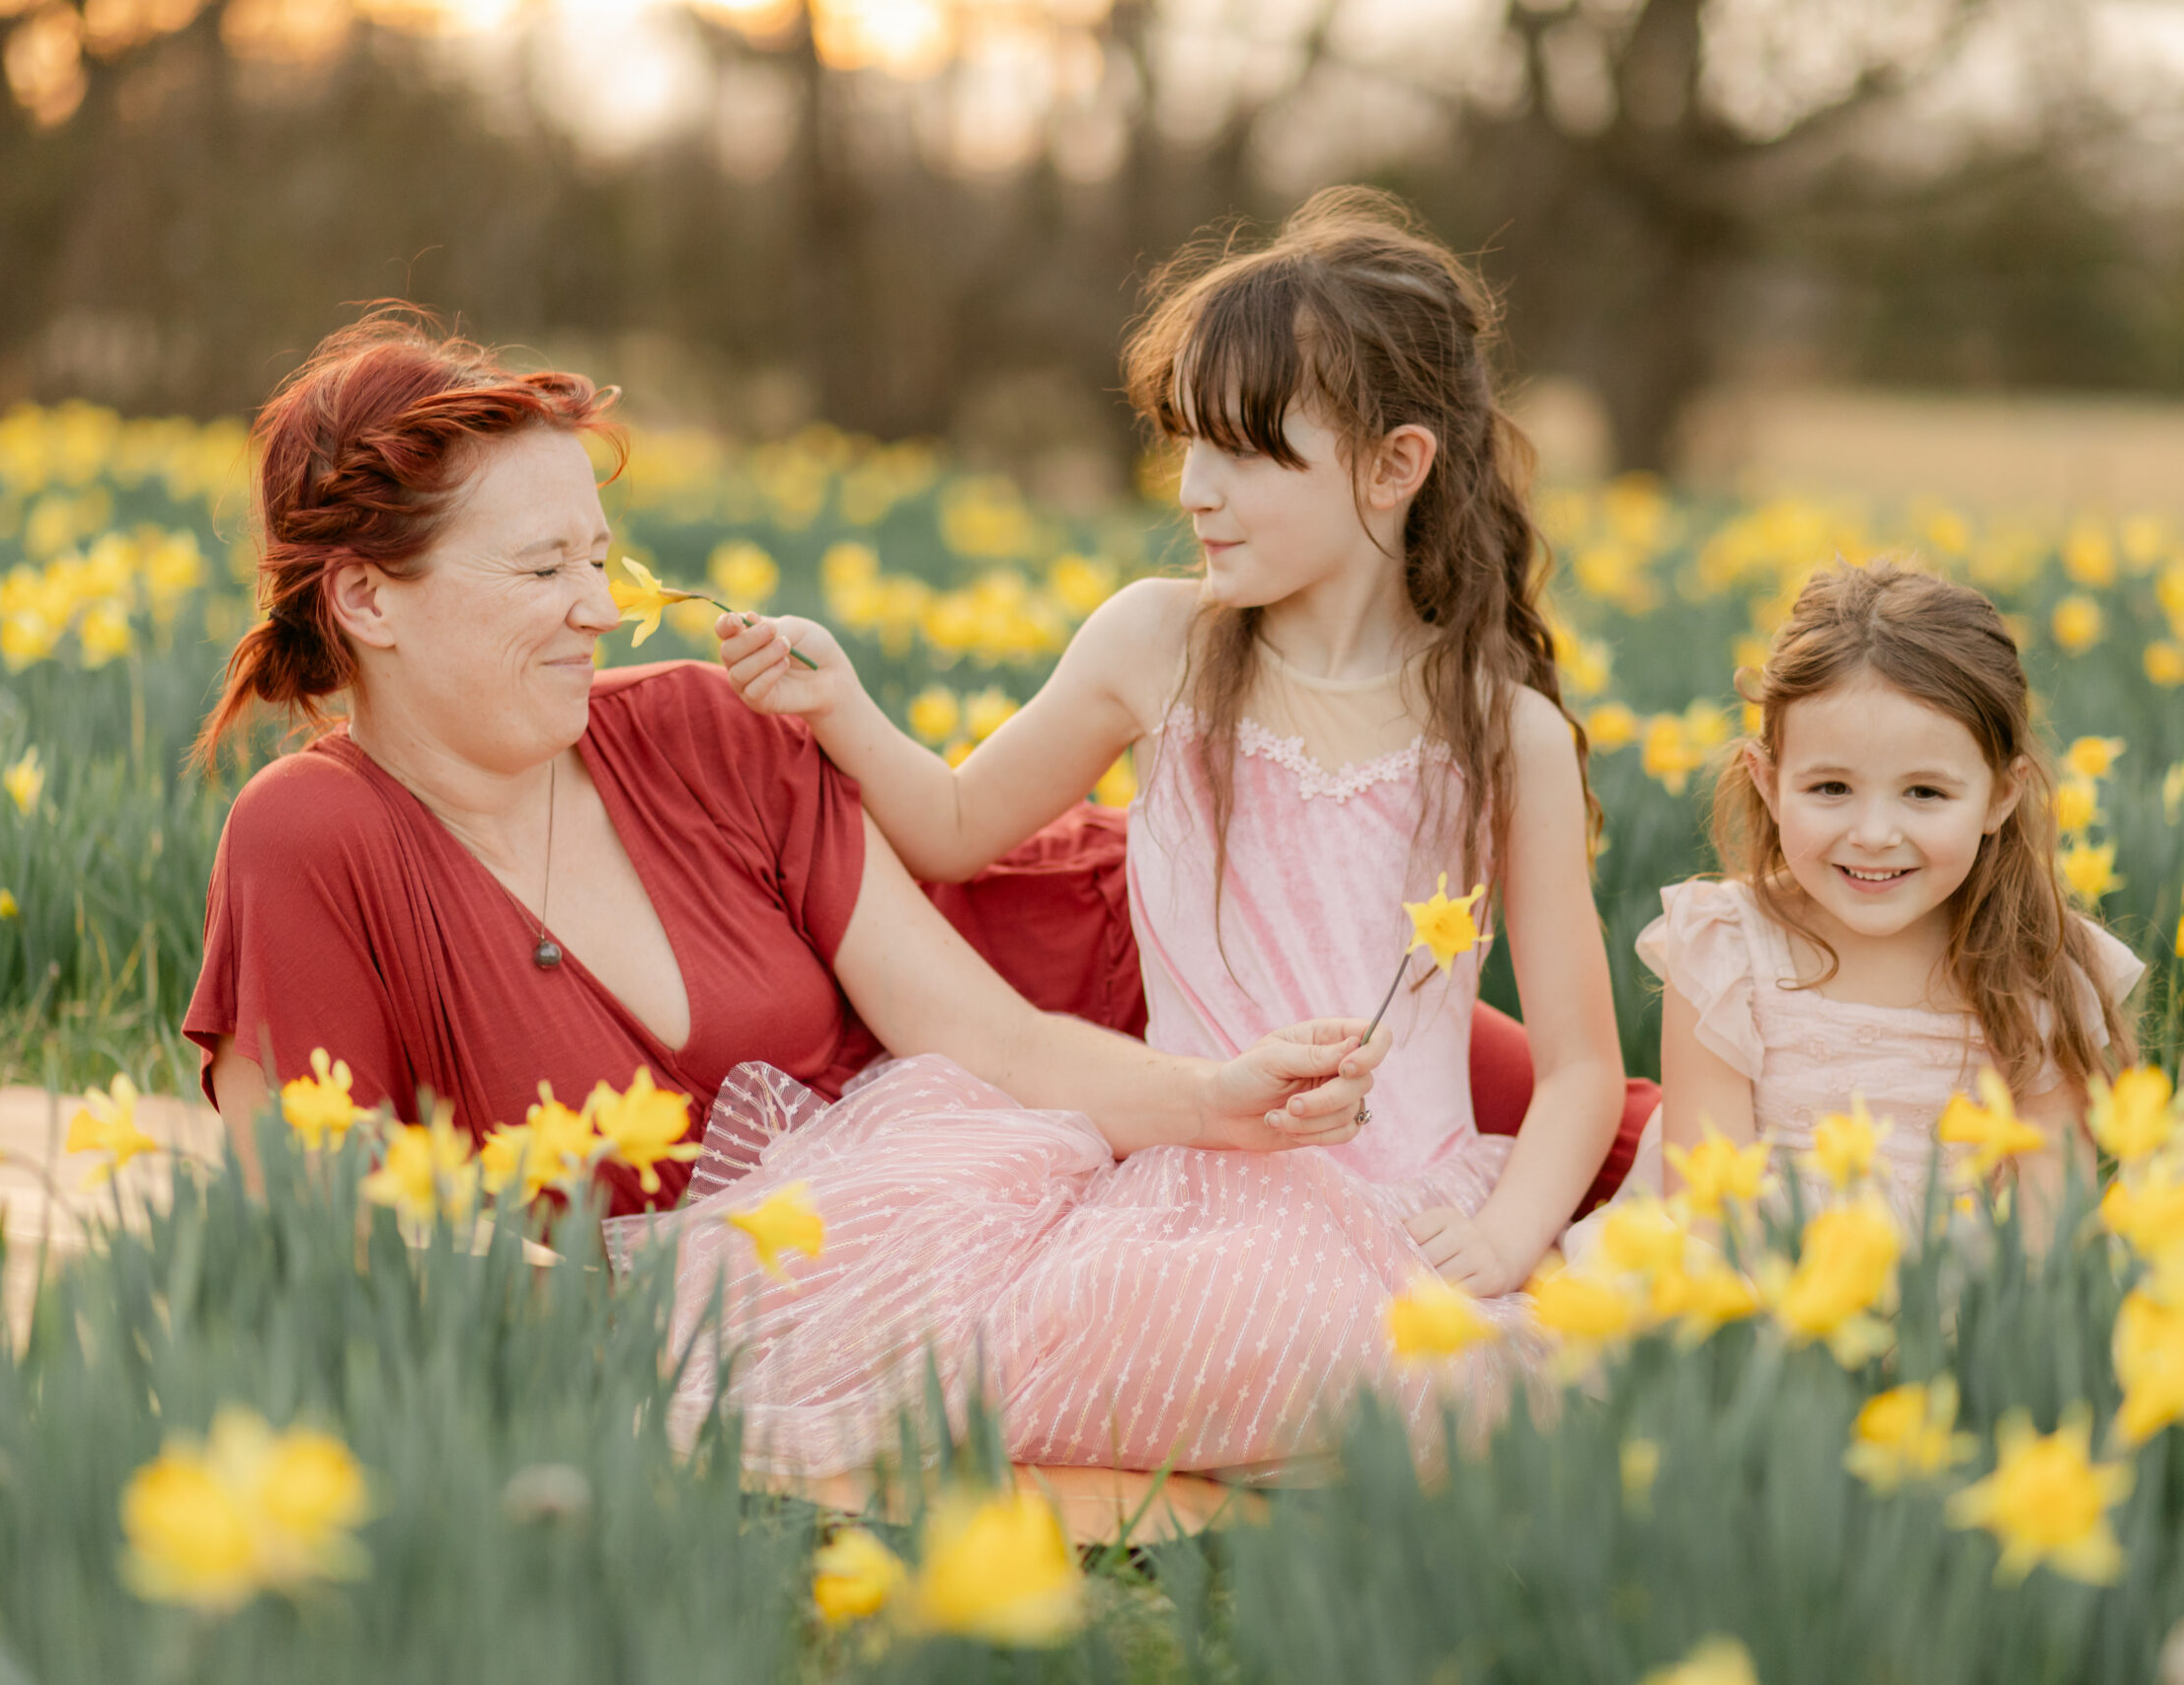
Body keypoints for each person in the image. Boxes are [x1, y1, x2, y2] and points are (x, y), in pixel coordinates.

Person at [651, 189, 1624, 1474]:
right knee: (1118, 1336)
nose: (1197, 490)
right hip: (1192, 1178)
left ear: (1397, 465)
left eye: (1251, 451)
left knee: (1462, 1384)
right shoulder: (1153, 643)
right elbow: (952, 827)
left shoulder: (1506, 735)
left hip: (1407, 1203)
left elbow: (1579, 1069)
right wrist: (842, 702)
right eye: (1187, 445)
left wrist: (1504, 1240)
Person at [182, 311, 1392, 1227]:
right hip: (962, 1209)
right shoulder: (314, 841)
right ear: (364, 599)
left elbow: (1000, 1044)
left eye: (601, 560)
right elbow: (319, 1237)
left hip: (1148, 959)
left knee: (1570, 1147)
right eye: (543, 570)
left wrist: (1212, 1100)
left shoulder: (706, 727)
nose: (600, 610)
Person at [1641, 561, 2145, 1230]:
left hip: (1965, 1315)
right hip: (1766, 1302)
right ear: (1768, 783)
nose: (1874, 834)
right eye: (1831, 789)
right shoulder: (1724, 949)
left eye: (1925, 793)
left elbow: (2051, 1239)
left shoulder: (2036, 972)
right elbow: (1710, 1221)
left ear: (2001, 795)